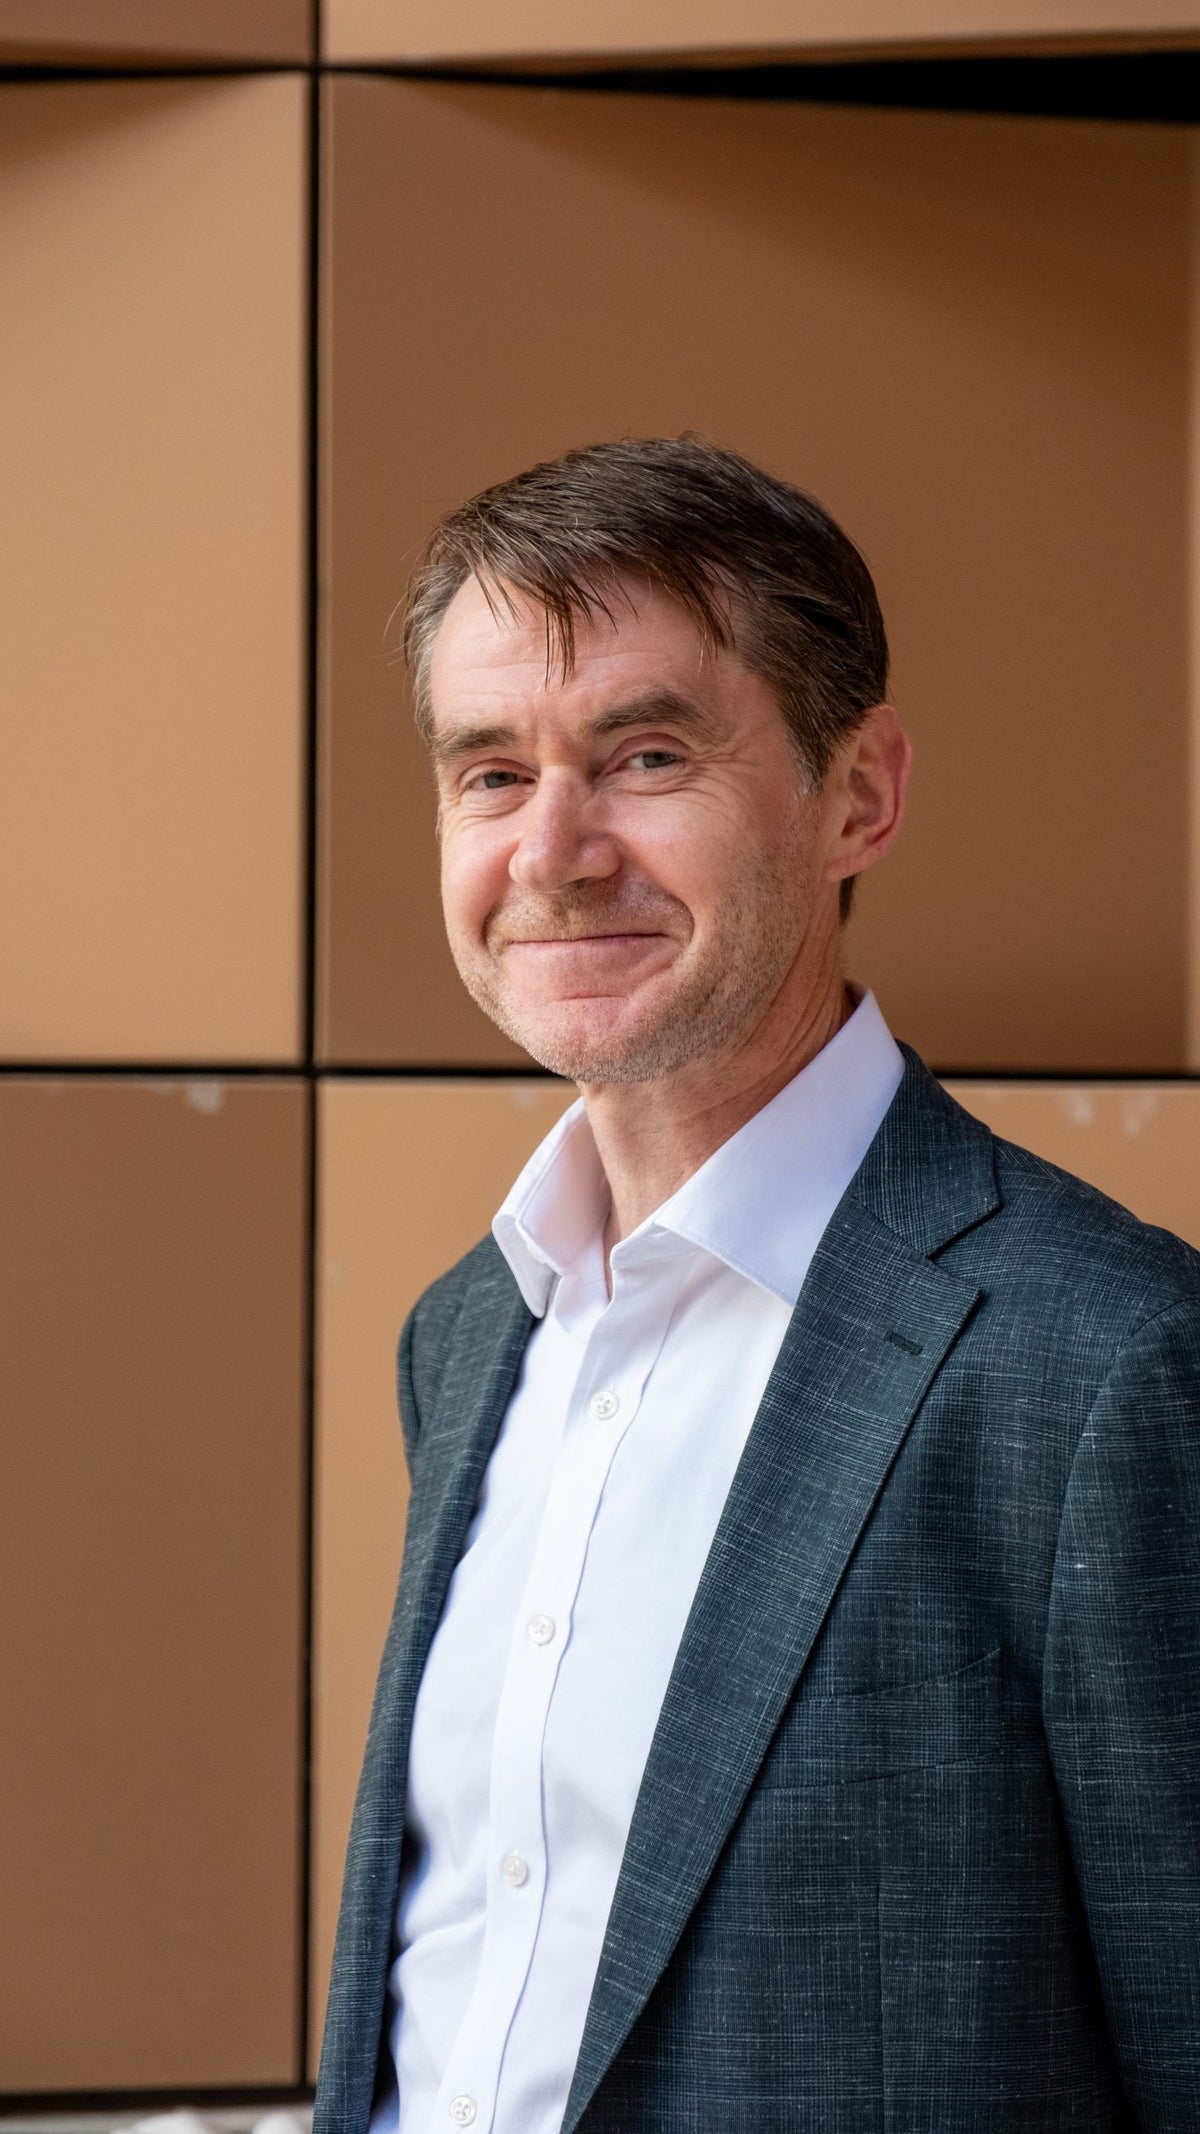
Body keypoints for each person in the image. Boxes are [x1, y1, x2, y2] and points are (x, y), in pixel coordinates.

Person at [315, 437, 1200, 2134]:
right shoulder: (469, 1331)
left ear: (859, 792)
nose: (553, 850)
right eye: (490, 772)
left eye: (645, 755)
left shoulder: (1106, 1366)